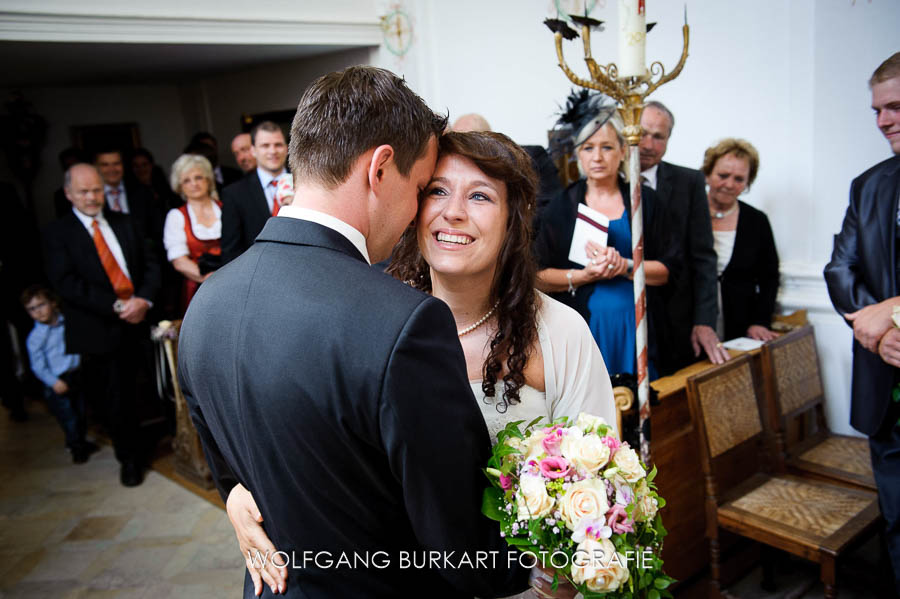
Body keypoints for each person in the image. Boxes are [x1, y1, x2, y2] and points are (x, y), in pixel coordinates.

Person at [178, 66, 529, 599]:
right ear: (380, 168)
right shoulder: (401, 323)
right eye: (420, 189)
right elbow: (464, 549)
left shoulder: (207, 301)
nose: (417, 215)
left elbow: (237, 485)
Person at [227, 131, 617, 597]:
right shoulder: (371, 321)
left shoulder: (560, 332)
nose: (454, 212)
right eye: (437, 191)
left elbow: (598, 485)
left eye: (479, 195)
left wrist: (563, 573)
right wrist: (238, 489)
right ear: (414, 208)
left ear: (514, 219)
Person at [824, 51, 900, 592]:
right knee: (897, 518)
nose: (883, 121)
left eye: (895, 107)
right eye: (877, 110)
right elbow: (839, 267)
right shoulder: (869, 183)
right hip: (882, 379)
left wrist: (894, 313)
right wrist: (879, 329)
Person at [534, 90, 677, 377]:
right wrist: (586, 275)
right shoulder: (561, 208)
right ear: (578, 155)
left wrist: (623, 266)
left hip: (639, 327)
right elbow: (538, 277)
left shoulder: (644, 202)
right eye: (588, 148)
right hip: (587, 328)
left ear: (623, 151)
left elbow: (667, 270)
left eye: (607, 147)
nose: (597, 157)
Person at [44, 164, 160, 486]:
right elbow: (66, 282)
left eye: (96, 190)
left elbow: (152, 265)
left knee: (151, 389)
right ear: (69, 194)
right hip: (99, 329)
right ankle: (130, 460)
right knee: (115, 400)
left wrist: (144, 301)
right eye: (84, 192)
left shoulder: (126, 222)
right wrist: (118, 305)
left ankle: (155, 444)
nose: (92, 197)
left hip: (141, 320)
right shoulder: (58, 233)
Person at [639, 101, 726, 372]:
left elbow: (703, 258)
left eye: (658, 137)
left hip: (676, 320)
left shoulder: (689, 183)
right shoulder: (602, 182)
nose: (648, 144)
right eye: (642, 133)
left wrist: (704, 321)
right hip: (624, 317)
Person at [700, 138, 779, 341]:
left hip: (741, 325)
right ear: (707, 174)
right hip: (692, 326)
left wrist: (760, 321)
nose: (729, 184)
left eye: (739, 179)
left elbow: (769, 277)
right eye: (723, 175)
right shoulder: (689, 214)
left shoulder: (757, 221)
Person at [22, 285, 97, 463]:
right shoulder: (35, 338)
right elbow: (38, 366)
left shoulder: (68, 323)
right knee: (68, 417)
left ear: (53, 303)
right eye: (31, 309)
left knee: (80, 412)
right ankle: (75, 447)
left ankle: (81, 441)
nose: (38, 312)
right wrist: (54, 382)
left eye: (41, 305)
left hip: (75, 374)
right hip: (57, 382)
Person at [220, 121, 289, 264]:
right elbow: (231, 252)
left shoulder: (306, 183)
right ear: (253, 151)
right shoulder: (234, 194)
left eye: (278, 145)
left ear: (287, 148)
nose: (273, 151)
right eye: (265, 146)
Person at [163, 154, 222, 313]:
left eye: (198, 177)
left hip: (233, 282)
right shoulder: (176, 216)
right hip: (198, 287)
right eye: (187, 180)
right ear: (179, 186)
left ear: (208, 180)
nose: (194, 184)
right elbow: (179, 261)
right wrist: (208, 279)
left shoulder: (226, 208)